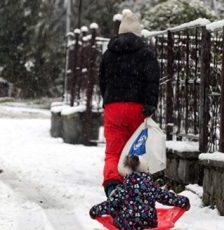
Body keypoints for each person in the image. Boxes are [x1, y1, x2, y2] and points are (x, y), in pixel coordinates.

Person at [99, 9, 161, 197]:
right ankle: (135, 192)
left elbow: (102, 81)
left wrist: (109, 99)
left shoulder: (108, 54)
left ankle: (113, 188)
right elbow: (153, 80)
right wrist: (150, 104)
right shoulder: (146, 54)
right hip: (137, 108)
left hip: (113, 108)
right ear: (138, 33)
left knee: (113, 153)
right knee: (135, 152)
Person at [89, 155, 191, 230]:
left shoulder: (122, 190)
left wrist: (95, 210)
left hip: (126, 226)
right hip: (149, 224)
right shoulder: (151, 188)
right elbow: (167, 197)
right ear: (146, 170)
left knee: (116, 208)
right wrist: (183, 201)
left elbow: (110, 205)